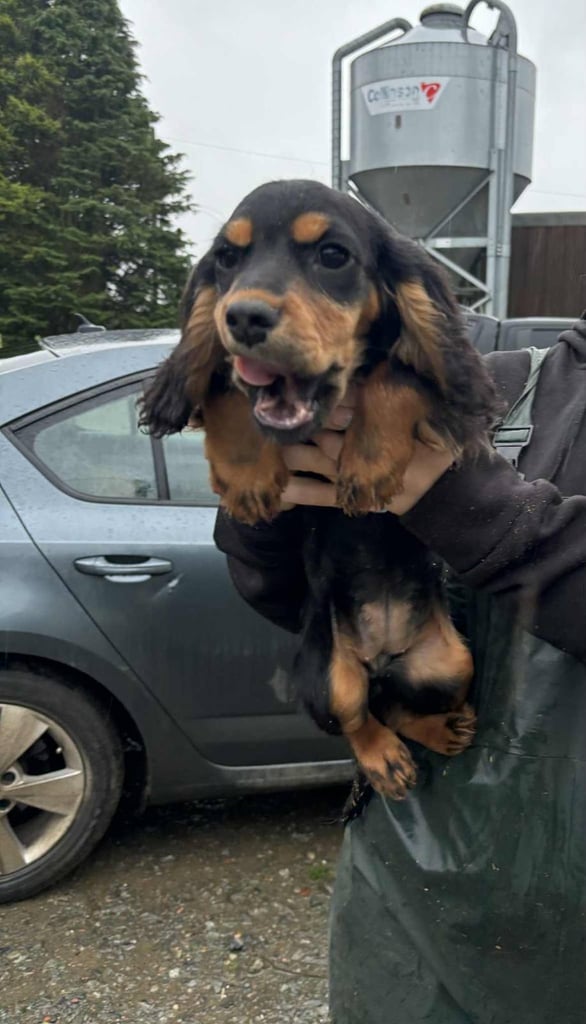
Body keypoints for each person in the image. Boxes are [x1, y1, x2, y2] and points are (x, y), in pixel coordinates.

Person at [214, 315, 586, 1024]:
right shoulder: (489, 389)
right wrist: (263, 503)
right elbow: (286, 595)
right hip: (412, 905)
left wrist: (473, 510)